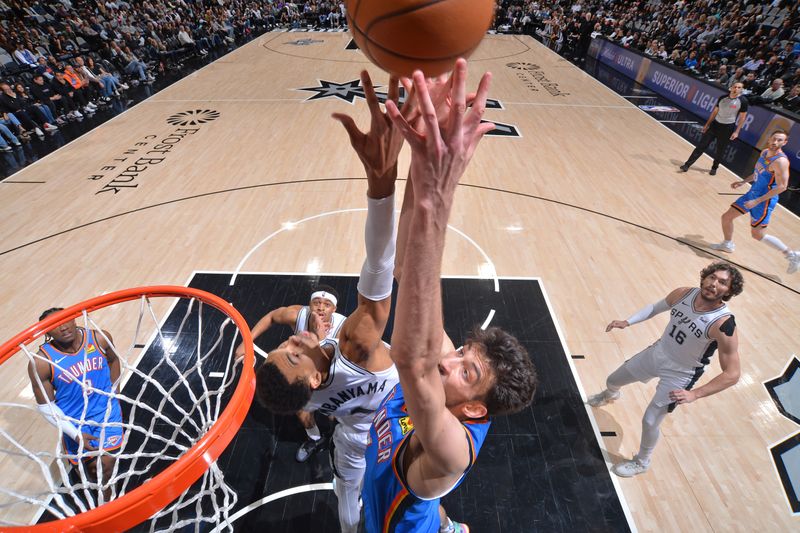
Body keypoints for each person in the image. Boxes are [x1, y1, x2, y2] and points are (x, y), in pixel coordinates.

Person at [361, 59, 537, 533]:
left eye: (467, 370)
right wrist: (421, 163)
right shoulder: (445, 380)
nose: (449, 360)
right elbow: (404, 271)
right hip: (395, 498)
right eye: (462, 352)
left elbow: (412, 359)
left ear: (476, 407)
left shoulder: (453, 449)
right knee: (426, 507)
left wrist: (438, 194)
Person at [255, 70, 411, 533]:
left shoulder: (309, 392)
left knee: (348, 493)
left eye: (285, 348)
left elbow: (288, 396)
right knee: (408, 488)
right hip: (397, 419)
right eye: (295, 355)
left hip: (353, 433)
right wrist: (381, 185)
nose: (294, 341)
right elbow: (378, 266)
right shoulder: (354, 343)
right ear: (316, 374)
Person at [587, 262, 744, 477]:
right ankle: (611, 394)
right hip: (657, 353)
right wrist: (627, 322)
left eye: (722, 282)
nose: (714, 284)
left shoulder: (723, 324)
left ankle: (642, 462)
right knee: (612, 380)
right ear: (705, 277)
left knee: (650, 420)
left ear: (729, 291)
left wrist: (695, 394)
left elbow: (732, 374)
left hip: (681, 374)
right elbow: (655, 308)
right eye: (712, 277)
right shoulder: (684, 293)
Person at [234, 285, 346, 463]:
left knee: (335, 413)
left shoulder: (343, 327)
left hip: (331, 373)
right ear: (309, 305)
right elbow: (271, 317)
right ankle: (315, 439)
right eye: (316, 302)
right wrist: (246, 341)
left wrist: (320, 339)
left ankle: (337, 434)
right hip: (305, 370)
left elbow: (336, 361)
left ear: (334, 309)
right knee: (301, 409)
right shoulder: (297, 314)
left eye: (327, 304)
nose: (321, 307)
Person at [28, 308, 123, 491]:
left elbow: (113, 361)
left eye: (65, 320)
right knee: (90, 470)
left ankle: (110, 503)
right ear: (46, 333)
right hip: (74, 421)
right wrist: (74, 433)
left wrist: (114, 393)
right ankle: (101, 493)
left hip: (106, 413)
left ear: (74, 318)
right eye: (54, 326)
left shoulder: (100, 338)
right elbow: (46, 406)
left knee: (104, 466)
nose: (63, 327)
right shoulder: (41, 362)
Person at [710, 130, 800, 273]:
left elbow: (782, 187)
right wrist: (743, 181)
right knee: (727, 217)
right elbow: (758, 172)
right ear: (769, 138)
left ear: (785, 143)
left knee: (757, 234)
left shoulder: (781, 161)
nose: (775, 143)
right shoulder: (764, 153)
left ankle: (792, 255)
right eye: (774, 139)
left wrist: (757, 201)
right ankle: (727, 244)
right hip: (752, 194)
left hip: (764, 201)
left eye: (780, 140)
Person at [680, 82, 748, 175]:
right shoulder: (722, 98)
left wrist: (737, 131)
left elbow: (742, 117)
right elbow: (715, 111)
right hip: (715, 125)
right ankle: (687, 165)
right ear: (731, 88)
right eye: (735, 87)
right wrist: (707, 124)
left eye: (739, 87)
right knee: (701, 146)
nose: (736, 89)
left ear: (741, 90)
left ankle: (714, 167)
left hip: (727, 128)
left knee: (720, 150)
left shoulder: (743, 101)